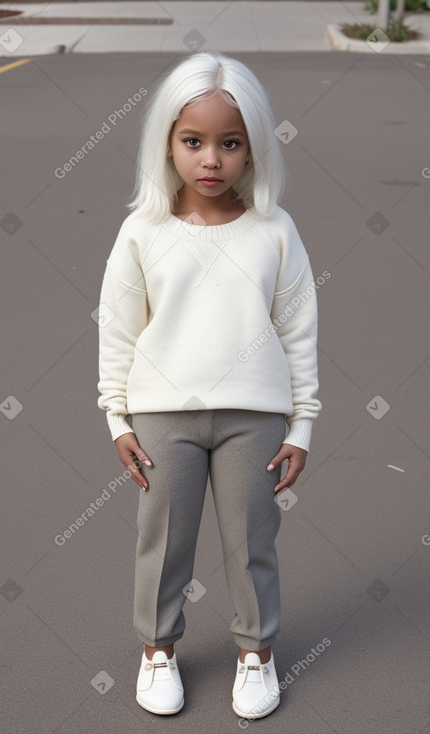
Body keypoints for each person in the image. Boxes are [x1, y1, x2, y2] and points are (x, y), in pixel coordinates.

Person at [97, 51, 322, 720]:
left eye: (230, 143)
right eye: (193, 141)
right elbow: (118, 329)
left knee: (252, 539)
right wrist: (118, 419)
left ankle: (256, 654)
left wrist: (301, 423)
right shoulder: (142, 232)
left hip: (254, 419)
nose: (211, 159)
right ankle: (158, 648)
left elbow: (298, 329)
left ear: (253, 148)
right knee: (161, 537)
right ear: (166, 142)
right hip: (163, 417)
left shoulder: (274, 231)